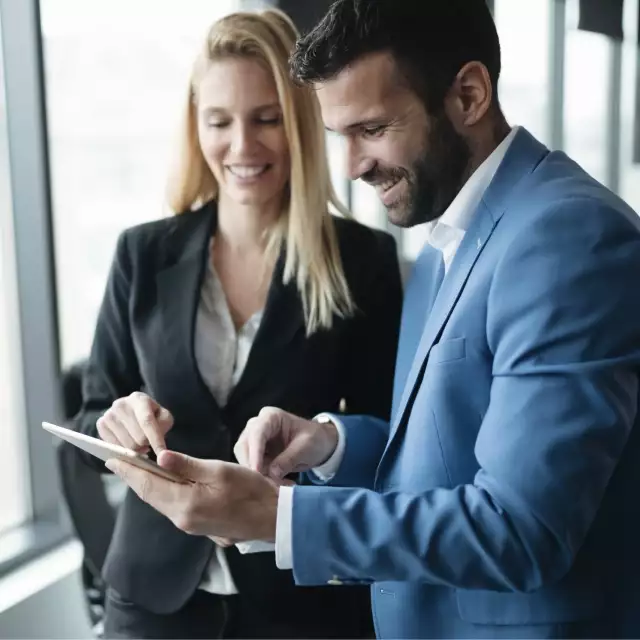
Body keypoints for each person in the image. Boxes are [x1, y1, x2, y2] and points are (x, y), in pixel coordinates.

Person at [105, 0, 640, 638]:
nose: (353, 166)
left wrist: (276, 517)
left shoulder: (567, 238)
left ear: (468, 95)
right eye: (341, 137)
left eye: (373, 129)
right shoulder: (451, 237)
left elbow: (520, 530)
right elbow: (443, 455)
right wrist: (332, 444)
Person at [74, 7, 403, 639]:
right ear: (195, 125)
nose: (242, 147)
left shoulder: (362, 262)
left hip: (300, 602)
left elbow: (386, 445)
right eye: (219, 121)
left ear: (300, 122)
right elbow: (93, 416)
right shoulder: (142, 255)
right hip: (152, 600)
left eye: (267, 119)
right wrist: (116, 428)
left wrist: (317, 444)